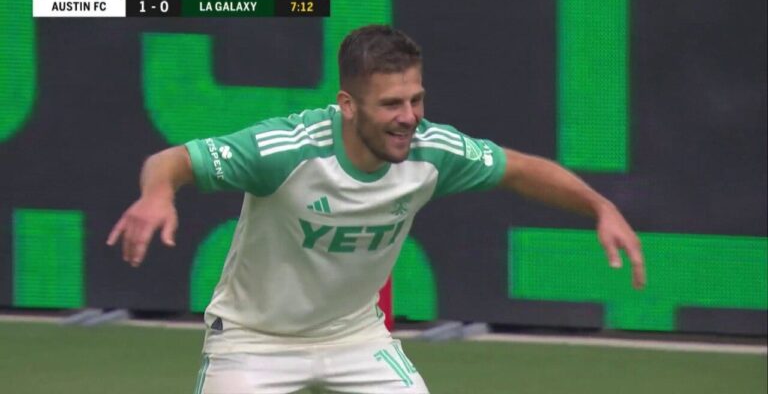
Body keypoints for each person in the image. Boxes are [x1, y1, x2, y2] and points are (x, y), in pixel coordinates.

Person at [107, 25, 645, 394]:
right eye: (391, 103)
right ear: (347, 105)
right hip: (254, 339)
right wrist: (158, 193)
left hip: (354, 337)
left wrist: (599, 207)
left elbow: (521, 169)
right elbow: (173, 159)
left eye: (416, 99)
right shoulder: (288, 149)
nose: (409, 117)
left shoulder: (433, 150)